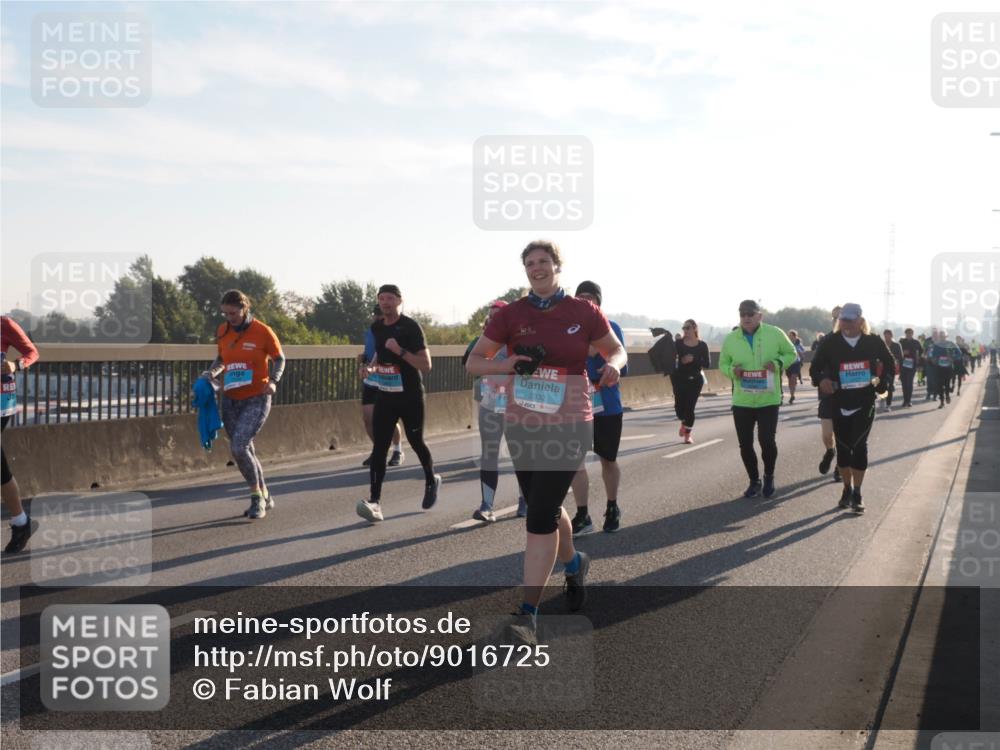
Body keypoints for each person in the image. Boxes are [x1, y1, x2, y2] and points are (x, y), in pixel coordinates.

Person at [465, 240, 626, 644]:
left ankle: (528, 615)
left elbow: (616, 350)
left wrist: (613, 365)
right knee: (546, 506)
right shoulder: (512, 314)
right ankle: (574, 563)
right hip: (523, 423)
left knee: (538, 517)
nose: (537, 268)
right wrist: (506, 364)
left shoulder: (582, 311)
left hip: (571, 422)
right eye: (530, 263)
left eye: (543, 261)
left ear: (557, 266)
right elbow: (474, 362)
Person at [356, 285, 441, 523]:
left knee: (416, 441)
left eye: (390, 298)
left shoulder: (411, 327)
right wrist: (370, 368)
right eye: (382, 298)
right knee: (379, 447)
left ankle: (431, 479)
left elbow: (426, 365)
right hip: (386, 394)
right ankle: (375, 502)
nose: (385, 302)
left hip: (410, 396)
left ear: (399, 301)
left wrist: (400, 350)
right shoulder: (377, 327)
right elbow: (378, 355)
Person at [204, 290, 285, 520]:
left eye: (233, 313)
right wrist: (211, 372)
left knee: (239, 447)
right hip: (231, 400)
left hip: (257, 397)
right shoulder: (223, 331)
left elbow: (280, 358)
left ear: (244, 308)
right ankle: (265, 494)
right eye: (225, 313)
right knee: (244, 450)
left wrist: (273, 381)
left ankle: (256, 498)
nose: (229, 318)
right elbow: (222, 359)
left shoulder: (262, 331)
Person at [810, 304, 894, 514]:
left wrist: (881, 381)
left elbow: (890, 364)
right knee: (844, 448)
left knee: (859, 446)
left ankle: (858, 493)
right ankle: (847, 488)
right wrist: (822, 380)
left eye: (849, 320)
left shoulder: (872, 341)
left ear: (860, 320)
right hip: (839, 401)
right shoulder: (830, 342)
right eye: (842, 320)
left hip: (864, 401)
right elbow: (814, 369)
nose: (845, 323)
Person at [719, 300, 798, 499]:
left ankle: (769, 476)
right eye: (742, 314)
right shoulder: (731, 339)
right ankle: (754, 481)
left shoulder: (775, 333)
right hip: (742, 401)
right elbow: (722, 364)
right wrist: (732, 371)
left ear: (759, 316)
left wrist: (778, 363)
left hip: (768, 399)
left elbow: (792, 353)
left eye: (750, 314)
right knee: (745, 444)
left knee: (767, 441)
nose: (746, 317)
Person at [570, 281, 629, 535]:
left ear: (598, 302)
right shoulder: (568, 330)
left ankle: (612, 506)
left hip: (607, 405)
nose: (585, 301)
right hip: (575, 404)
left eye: (590, 297)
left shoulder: (610, 327)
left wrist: (602, 357)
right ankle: (582, 514)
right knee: (575, 462)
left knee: (608, 459)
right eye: (580, 297)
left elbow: (623, 366)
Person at [461, 300, 525, 523]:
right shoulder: (483, 343)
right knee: (489, 454)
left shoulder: (519, 341)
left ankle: (525, 500)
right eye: (490, 316)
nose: (493, 320)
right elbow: (469, 365)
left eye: (498, 316)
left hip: (517, 406)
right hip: (490, 404)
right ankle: (486, 505)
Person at [1, 316, 40, 554]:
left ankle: (21, 523)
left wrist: (16, 365)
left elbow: (32, 352)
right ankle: (21, 523)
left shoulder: (5, 324)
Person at [359, 304, 402, 468]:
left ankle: (397, 450)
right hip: (371, 378)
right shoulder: (371, 331)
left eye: (380, 315)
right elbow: (370, 351)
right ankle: (379, 450)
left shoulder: (393, 331)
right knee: (368, 418)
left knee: (388, 418)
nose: (377, 317)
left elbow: (385, 352)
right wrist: (363, 358)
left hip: (387, 376)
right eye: (375, 314)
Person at [670, 319, 711, 444]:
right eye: (684, 328)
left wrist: (694, 360)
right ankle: (684, 422)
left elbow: (707, 364)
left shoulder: (702, 345)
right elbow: (670, 360)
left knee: (690, 408)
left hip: (695, 380)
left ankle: (687, 434)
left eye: (688, 328)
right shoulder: (678, 344)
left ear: (695, 328)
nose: (685, 330)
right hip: (678, 379)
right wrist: (682, 361)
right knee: (679, 409)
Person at [816, 306, 843, 482]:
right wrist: (820, 379)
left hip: (847, 395)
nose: (836, 321)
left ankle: (840, 466)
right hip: (828, 393)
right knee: (827, 435)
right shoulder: (825, 340)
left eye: (840, 317)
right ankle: (830, 451)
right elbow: (815, 366)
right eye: (834, 318)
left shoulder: (858, 341)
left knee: (843, 436)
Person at [898, 328, 923, 408]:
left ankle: (909, 401)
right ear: (905, 334)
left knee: (909, 383)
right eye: (907, 333)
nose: (909, 335)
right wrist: (903, 353)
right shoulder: (901, 342)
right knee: (904, 383)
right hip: (903, 365)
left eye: (910, 333)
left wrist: (914, 355)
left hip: (912, 365)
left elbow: (921, 351)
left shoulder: (916, 342)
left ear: (912, 334)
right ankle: (905, 400)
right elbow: (898, 351)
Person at [881, 329, 903, 411]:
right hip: (882, 369)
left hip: (892, 369)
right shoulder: (881, 345)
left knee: (889, 387)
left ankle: (888, 405)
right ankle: (883, 399)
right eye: (885, 336)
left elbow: (901, 357)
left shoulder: (896, 345)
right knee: (883, 386)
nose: (886, 338)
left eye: (888, 336)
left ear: (891, 336)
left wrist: (900, 370)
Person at [786, 330, 806, 404]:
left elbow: (802, 353)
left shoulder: (798, 344)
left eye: (791, 336)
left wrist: (799, 351)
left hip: (796, 363)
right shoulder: (786, 343)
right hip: (788, 364)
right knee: (790, 381)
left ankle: (792, 395)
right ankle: (792, 394)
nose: (790, 337)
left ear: (795, 337)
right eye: (789, 336)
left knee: (793, 378)